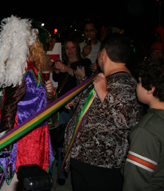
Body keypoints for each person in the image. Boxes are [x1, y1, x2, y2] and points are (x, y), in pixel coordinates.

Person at [62, 33, 141, 191]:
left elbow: (127, 120)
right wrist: (75, 101)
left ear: (103, 54)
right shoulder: (104, 78)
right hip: (82, 162)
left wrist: (104, 93)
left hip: (102, 167)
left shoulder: (127, 83)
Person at [0, 16, 54, 190]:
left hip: (35, 134)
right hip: (24, 137)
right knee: (21, 177)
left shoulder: (32, 69)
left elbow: (41, 103)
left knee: (30, 177)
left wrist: (50, 94)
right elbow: (9, 105)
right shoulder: (24, 70)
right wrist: (6, 138)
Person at [52, 37, 92, 185]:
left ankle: (63, 172)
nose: (70, 51)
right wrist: (57, 69)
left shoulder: (85, 63)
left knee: (68, 141)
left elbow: (82, 77)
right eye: (67, 48)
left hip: (76, 107)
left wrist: (66, 69)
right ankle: (62, 162)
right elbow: (57, 77)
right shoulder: (63, 63)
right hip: (61, 106)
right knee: (59, 138)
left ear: (77, 48)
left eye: (72, 47)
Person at [123, 58, 164, 190]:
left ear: (151, 88)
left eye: (140, 82)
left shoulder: (146, 131)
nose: (137, 86)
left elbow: (135, 182)